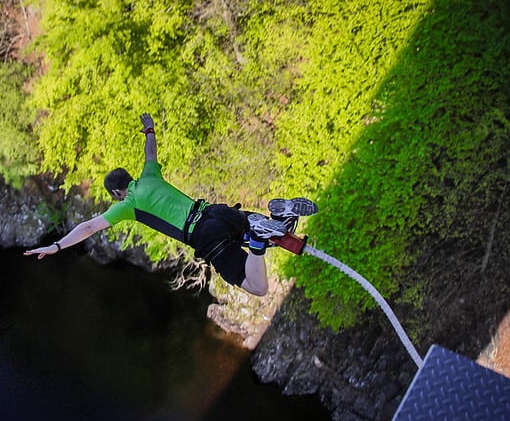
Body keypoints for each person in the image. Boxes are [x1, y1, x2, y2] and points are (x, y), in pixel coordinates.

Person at [24, 113, 317, 296]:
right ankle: (277, 216)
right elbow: (151, 151)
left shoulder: (129, 204)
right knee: (277, 238)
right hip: (216, 212)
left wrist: (56, 246)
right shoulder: (148, 175)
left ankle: (257, 237)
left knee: (258, 287)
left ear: (116, 192)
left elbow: (88, 226)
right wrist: (150, 129)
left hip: (205, 235)